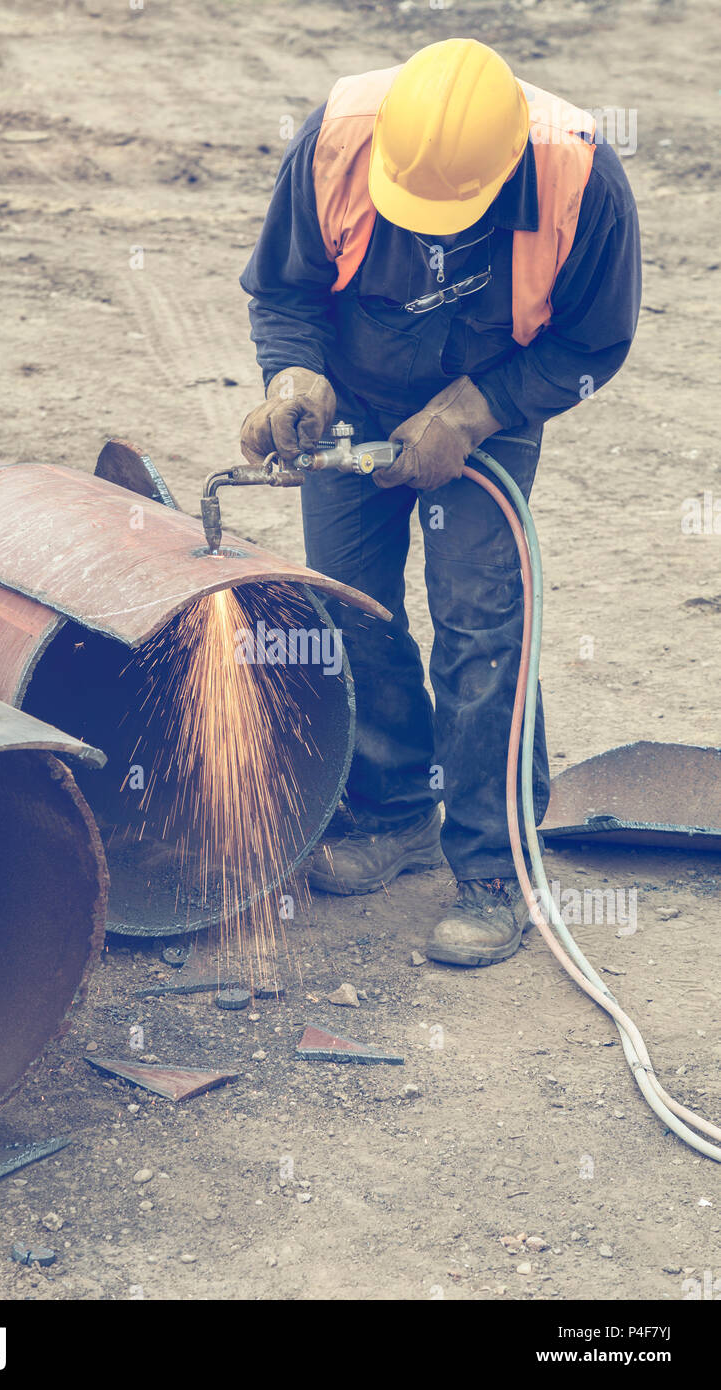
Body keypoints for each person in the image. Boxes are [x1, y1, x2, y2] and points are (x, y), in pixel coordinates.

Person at [239, 38, 640, 966]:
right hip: (355, 392)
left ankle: (496, 867)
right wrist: (293, 375)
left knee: (479, 622)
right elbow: (285, 288)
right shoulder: (339, 140)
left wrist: (475, 410)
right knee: (346, 605)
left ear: (507, 172)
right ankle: (394, 811)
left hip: (490, 408)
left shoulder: (582, 178)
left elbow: (592, 345)